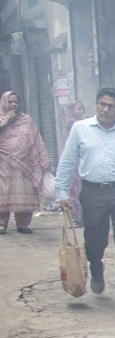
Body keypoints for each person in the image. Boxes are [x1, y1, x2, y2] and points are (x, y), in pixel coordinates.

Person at [54, 87, 115, 309]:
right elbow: (68, 161)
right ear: (96, 104)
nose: (106, 109)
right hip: (91, 192)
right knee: (94, 239)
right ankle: (96, 267)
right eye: (102, 104)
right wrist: (61, 194)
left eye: (111, 106)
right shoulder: (81, 129)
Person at [0, 90, 51, 235]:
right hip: (3, 163)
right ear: (4, 102)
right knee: (3, 192)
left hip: (25, 164)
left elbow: (36, 139)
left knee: (26, 191)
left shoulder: (26, 120)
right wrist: (6, 120)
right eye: (10, 102)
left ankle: (23, 224)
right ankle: (1, 224)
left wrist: (43, 159)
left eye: (16, 102)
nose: (14, 104)